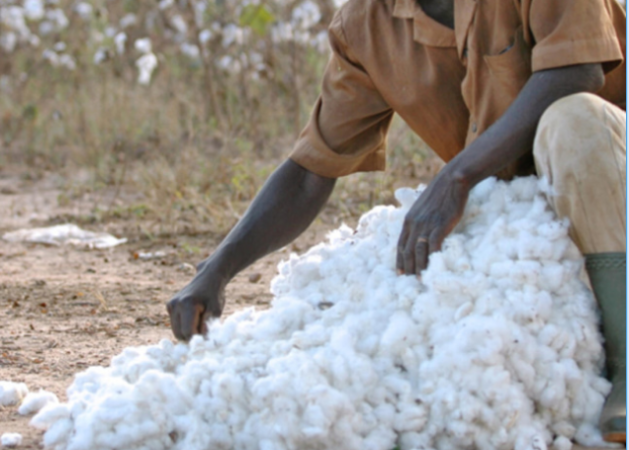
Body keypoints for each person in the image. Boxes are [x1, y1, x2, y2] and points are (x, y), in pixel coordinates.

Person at [165, 0, 627, 443]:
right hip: (546, 225)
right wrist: (217, 270)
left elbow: (575, 71)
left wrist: (457, 176)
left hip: (615, 180)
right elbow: (311, 170)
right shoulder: (368, 23)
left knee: (574, 117)